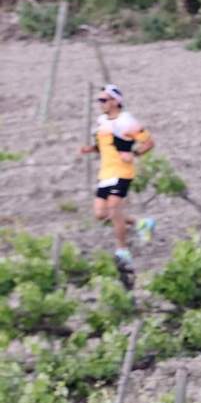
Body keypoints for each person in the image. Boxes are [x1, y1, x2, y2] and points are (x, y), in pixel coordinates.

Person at [77, 84, 154, 269]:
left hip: (122, 172)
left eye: (103, 100)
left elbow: (149, 143)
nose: (100, 103)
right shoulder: (101, 121)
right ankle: (141, 223)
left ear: (115, 101)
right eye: (99, 100)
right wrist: (90, 150)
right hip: (106, 172)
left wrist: (134, 155)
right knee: (100, 214)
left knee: (114, 210)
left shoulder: (127, 121)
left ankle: (122, 250)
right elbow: (104, 147)